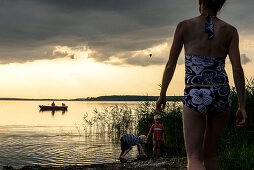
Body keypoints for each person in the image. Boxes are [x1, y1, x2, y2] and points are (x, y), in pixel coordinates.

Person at [156, 0, 247, 170]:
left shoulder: (184, 26)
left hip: (195, 92)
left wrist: (163, 94)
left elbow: (170, 64)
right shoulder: (230, 31)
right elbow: (237, 69)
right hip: (221, 93)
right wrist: (242, 105)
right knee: (210, 155)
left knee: (194, 157)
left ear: (200, 1)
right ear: (220, 4)